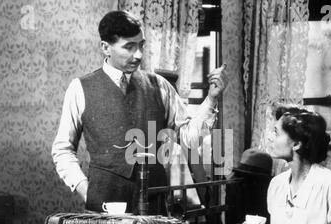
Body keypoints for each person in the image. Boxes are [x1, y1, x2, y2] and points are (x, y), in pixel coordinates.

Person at [52, 10, 228, 213]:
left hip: (155, 207)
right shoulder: (80, 88)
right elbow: (62, 150)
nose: (138, 55)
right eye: (129, 47)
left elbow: (189, 138)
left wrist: (212, 98)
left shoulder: (159, 85)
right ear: (105, 48)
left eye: (141, 45)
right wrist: (85, 189)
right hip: (103, 208)